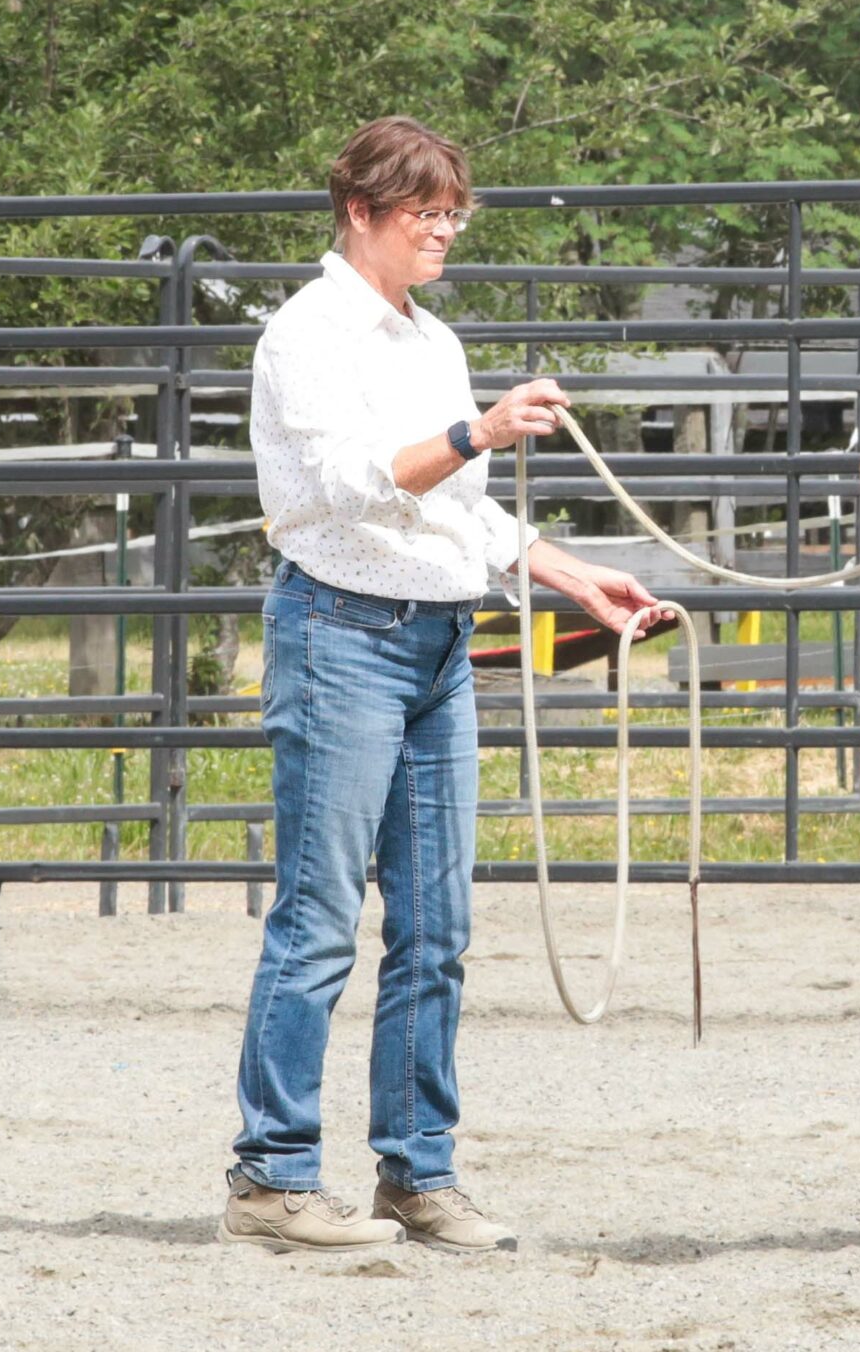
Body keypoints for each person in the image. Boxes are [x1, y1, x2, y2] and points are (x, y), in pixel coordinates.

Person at [221, 116, 662, 1255]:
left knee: (437, 927)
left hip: (434, 645)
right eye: (425, 211)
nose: (444, 230)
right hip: (340, 635)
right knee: (320, 918)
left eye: (453, 211)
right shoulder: (307, 335)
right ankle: (271, 1179)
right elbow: (350, 485)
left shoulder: (432, 340)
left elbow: (457, 509)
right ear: (360, 210)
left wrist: (574, 576)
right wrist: (479, 429)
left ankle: (416, 1173)